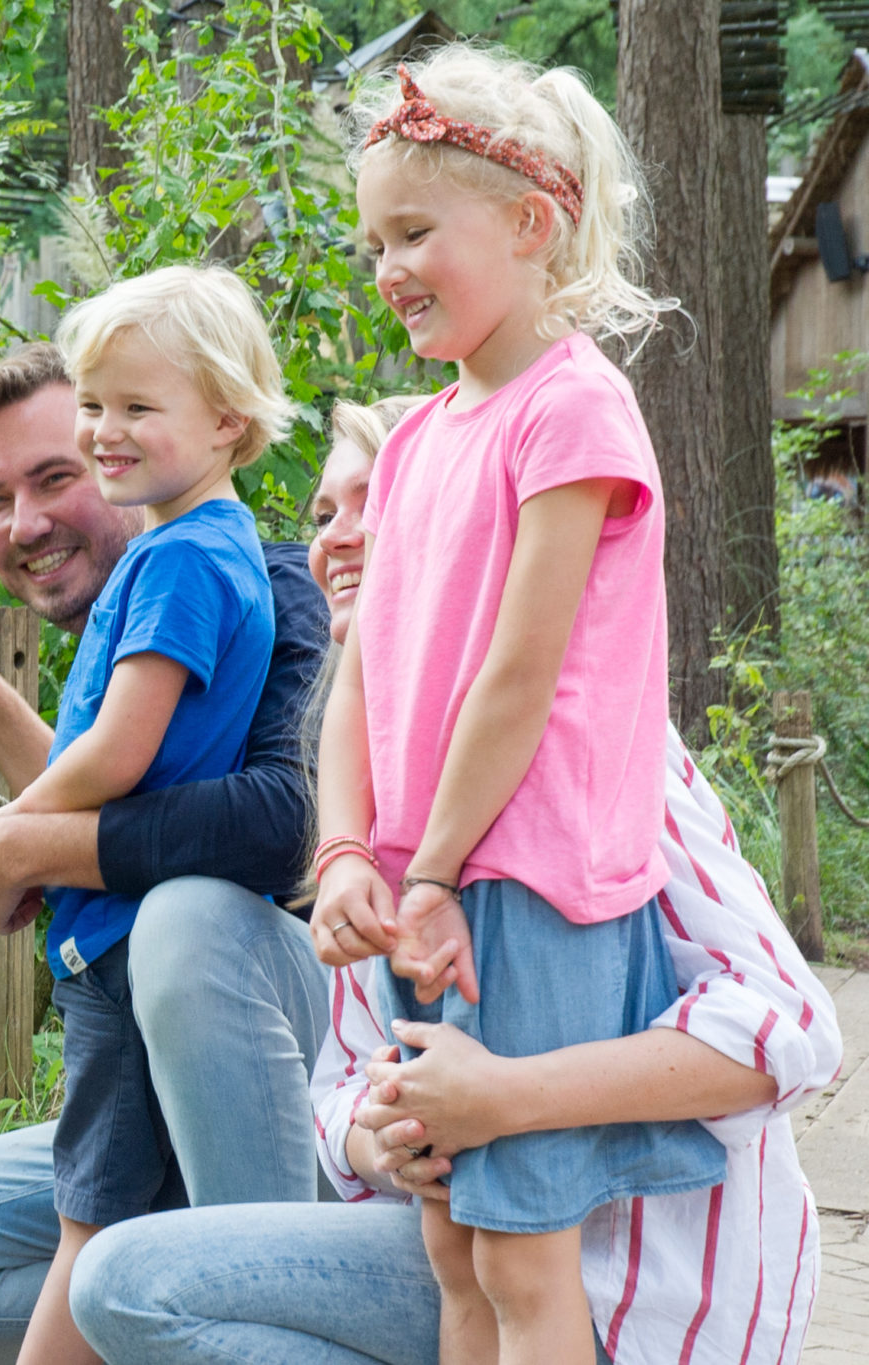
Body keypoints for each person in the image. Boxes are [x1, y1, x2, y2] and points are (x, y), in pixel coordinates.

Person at [64, 398, 842, 1363]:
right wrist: (384, 1133)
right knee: (121, 1276)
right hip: (454, 1259)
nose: (338, 539)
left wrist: (505, 1094)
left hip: (635, 1302)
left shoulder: (597, 744)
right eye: (321, 515)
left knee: (135, 1283)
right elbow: (341, 1083)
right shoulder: (367, 789)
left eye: (370, 505)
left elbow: (790, 1028)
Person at [309, 50, 726, 1362]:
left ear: (531, 225)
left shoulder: (574, 410)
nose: (387, 265)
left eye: (416, 230)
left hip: (527, 884)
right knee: (450, 1245)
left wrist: (429, 866)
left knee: (525, 1257)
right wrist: (341, 852)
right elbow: (367, 665)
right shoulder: (422, 434)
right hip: (430, 884)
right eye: (375, 238)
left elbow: (520, 672)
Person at [0, 336, 332, 1361]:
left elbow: (277, 828)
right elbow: (106, 785)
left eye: (56, 476)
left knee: (183, 917)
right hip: (134, 1078)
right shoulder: (116, 634)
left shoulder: (260, 582)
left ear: (128, 447)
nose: (25, 523)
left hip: (272, 1086)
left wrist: (21, 845)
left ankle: (270, 1294)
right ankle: (164, 1309)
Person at [0, 265, 285, 1363]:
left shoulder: (179, 560)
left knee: (92, 1216)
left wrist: (13, 829)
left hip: (124, 940)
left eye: (135, 407)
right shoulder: (204, 544)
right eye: (92, 404)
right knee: (109, 1204)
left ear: (224, 421)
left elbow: (119, 750)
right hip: (121, 934)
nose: (101, 432)